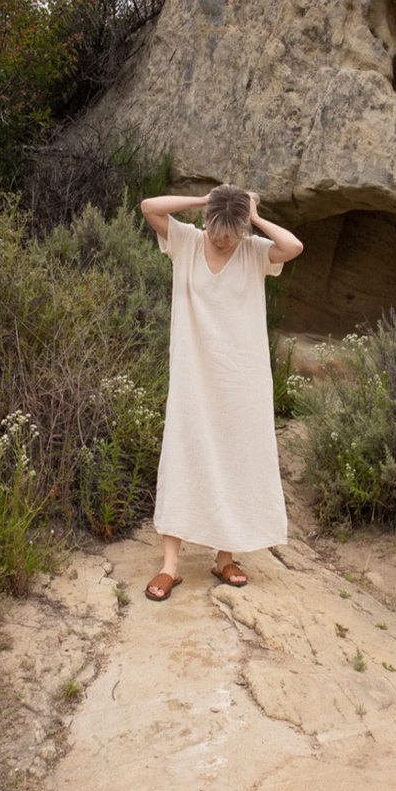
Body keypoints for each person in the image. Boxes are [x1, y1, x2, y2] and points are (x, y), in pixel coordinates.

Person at [140, 185, 304, 601]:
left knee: (235, 459)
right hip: (194, 374)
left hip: (241, 379)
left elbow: (294, 245)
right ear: (208, 222)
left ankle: (224, 557)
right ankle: (170, 567)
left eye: (231, 233)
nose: (222, 239)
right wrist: (203, 201)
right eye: (217, 229)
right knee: (182, 455)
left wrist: (254, 214)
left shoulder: (253, 252)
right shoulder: (187, 242)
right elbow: (149, 207)